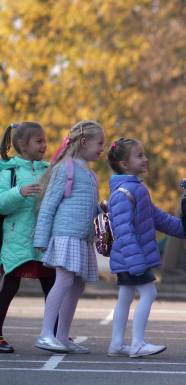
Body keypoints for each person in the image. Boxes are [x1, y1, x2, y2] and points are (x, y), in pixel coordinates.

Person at [105, 138, 186, 358]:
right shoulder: (123, 192)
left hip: (130, 258)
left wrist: (184, 230)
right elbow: (123, 230)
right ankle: (137, 343)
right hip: (132, 258)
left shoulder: (136, 188)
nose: (145, 159)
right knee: (149, 292)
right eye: (139, 155)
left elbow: (156, 217)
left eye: (144, 154)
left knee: (125, 296)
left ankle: (117, 344)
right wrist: (136, 262)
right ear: (124, 164)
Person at [33, 120, 105, 354]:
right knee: (63, 281)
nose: (102, 148)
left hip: (82, 238)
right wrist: (41, 240)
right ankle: (46, 334)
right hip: (65, 235)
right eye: (99, 143)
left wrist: (102, 210)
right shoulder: (66, 168)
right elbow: (49, 205)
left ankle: (62, 336)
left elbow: (86, 206)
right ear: (84, 142)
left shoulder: (91, 174)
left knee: (77, 285)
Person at [0, 122, 53, 353]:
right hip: (16, 242)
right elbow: (1, 205)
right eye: (39, 141)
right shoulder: (8, 171)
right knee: (10, 286)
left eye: (45, 140)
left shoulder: (49, 169)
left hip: (43, 241)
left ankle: (55, 333)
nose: (44, 145)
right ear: (22, 144)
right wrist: (18, 193)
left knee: (52, 286)